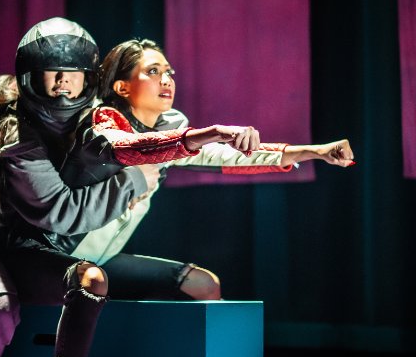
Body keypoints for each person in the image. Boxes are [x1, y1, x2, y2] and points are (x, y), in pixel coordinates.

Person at [0, 18, 162, 357]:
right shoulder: (15, 132)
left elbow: (174, 139)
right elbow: (60, 212)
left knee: (95, 280)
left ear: (88, 77)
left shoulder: (98, 121)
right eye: (52, 70)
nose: (63, 81)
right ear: (32, 76)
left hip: (40, 252)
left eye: (73, 72)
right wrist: (133, 181)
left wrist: (241, 147)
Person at [60, 38, 355, 268]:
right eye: (153, 72)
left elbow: (231, 156)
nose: (166, 80)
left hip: (103, 260)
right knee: (91, 282)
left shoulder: (170, 132)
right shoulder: (101, 121)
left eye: (168, 72)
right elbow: (128, 148)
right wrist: (209, 133)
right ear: (122, 87)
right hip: (63, 256)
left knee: (202, 284)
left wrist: (316, 152)